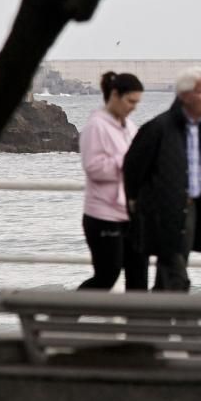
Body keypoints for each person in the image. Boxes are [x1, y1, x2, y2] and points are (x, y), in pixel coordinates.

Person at [123, 67, 201, 291]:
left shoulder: (198, 127)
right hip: (164, 212)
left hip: (189, 210)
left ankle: (159, 323)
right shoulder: (159, 128)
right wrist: (139, 205)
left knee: (168, 278)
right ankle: (186, 323)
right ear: (184, 95)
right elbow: (133, 167)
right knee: (177, 278)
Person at [78, 71, 148, 291]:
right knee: (107, 275)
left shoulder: (131, 128)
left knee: (138, 278)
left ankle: (137, 325)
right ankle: (64, 315)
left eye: (137, 103)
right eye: (130, 101)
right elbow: (94, 168)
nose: (133, 107)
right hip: (102, 215)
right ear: (115, 95)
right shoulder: (96, 126)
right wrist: (127, 161)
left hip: (131, 214)